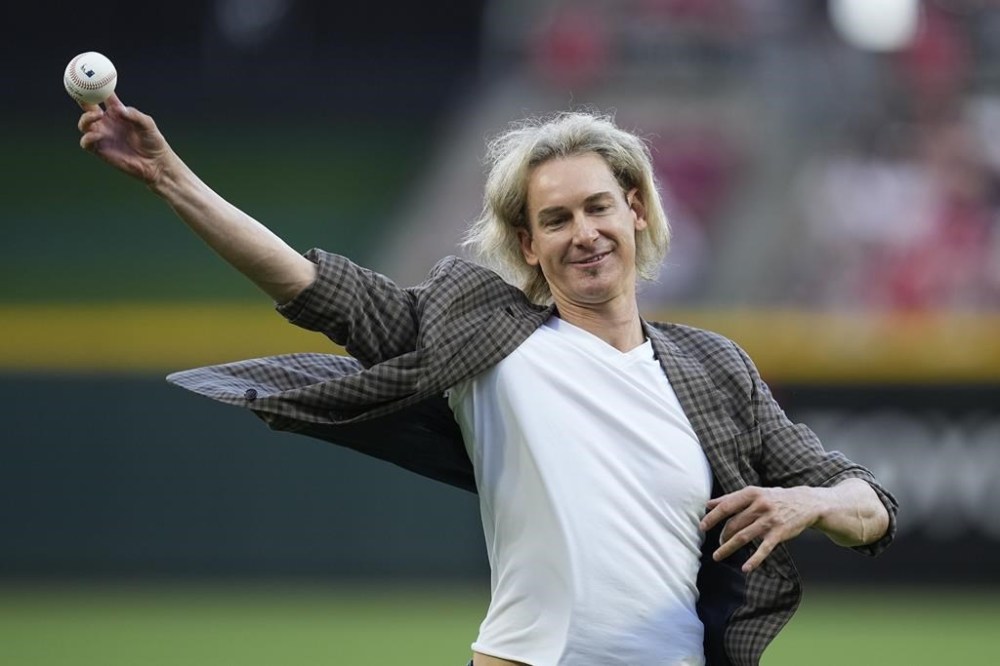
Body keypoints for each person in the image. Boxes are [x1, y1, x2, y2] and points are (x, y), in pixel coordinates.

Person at [76, 93, 897, 666]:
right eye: (555, 218)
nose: (585, 232)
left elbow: (872, 508)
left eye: (599, 206)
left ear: (636, 211)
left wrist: (815, 501)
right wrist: (172, 179)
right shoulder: (490, 339)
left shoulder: (715, 368)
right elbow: (316, 288)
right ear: (528, 244)